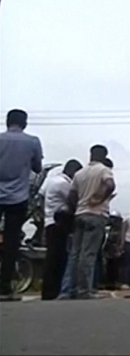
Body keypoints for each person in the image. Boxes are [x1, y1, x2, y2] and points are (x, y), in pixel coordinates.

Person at [0, 109, 43, 302]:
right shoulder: (32, 142)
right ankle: (4, 288)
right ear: (24, 123)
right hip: (18, 197)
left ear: (7, 122)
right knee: (11, 243)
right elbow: (37, 168)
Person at [66, 145, 115, 299]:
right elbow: (110, 185)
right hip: (96, 214)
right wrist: (99, 198)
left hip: (80, 214)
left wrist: (79, 206)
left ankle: (71, 289)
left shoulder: (79, 174)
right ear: (103, 156)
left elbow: (71, 195)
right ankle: (84, 290)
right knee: (88, 254)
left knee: (75, 254)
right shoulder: (104, 170)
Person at [38, 159, 82, 300]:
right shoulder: (64, 184)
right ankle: (54, 290)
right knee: (58, 259)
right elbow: (74, 201)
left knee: (51, 257)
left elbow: (41, 196)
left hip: (49, 220)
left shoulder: (51, 180)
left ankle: (47, 290)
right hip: (60, 223)